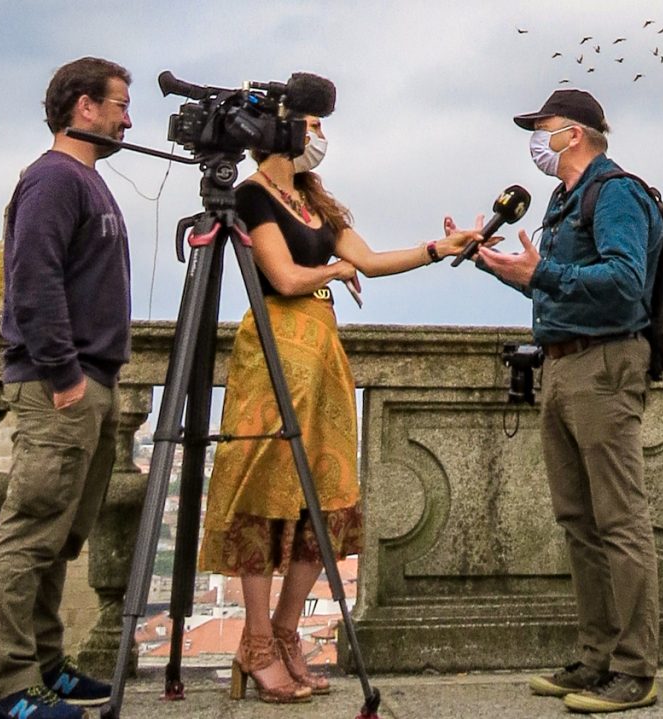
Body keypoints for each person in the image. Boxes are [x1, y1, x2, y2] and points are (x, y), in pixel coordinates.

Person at [195, 74, 483, 704]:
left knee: (322, 500)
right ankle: (255, 643)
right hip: (275, 349)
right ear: (284, 127)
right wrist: (335, 268)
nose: (321, 135)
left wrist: (441, 247)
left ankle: (286, 632)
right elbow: (286, 277)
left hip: (322, 356)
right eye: (313, 122)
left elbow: (373, 260)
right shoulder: (252, 197)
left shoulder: (314, 200)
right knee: (264, 493)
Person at [469, 88, 663, 713]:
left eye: (541, 127)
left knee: (620, 520)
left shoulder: (617, 194)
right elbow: (561, 288)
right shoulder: (563, 201)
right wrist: (504, 268)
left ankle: (636, 670)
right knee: (579, 521)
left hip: (605, 363)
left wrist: (541, 275)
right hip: (561, 364)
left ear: (573, 133)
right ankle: (595, 656)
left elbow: (626, 280)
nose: (535, 138)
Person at [0, 57, 134, 719]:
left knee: (60, 535)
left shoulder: (86, 182)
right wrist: (65, 375)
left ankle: (46, 666)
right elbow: (33, 282)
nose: (129, 118)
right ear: (84, 106)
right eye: (120, 104)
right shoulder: (52, 180)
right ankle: (9, 688)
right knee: (28, 536)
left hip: (88, 381)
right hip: (58, 386)